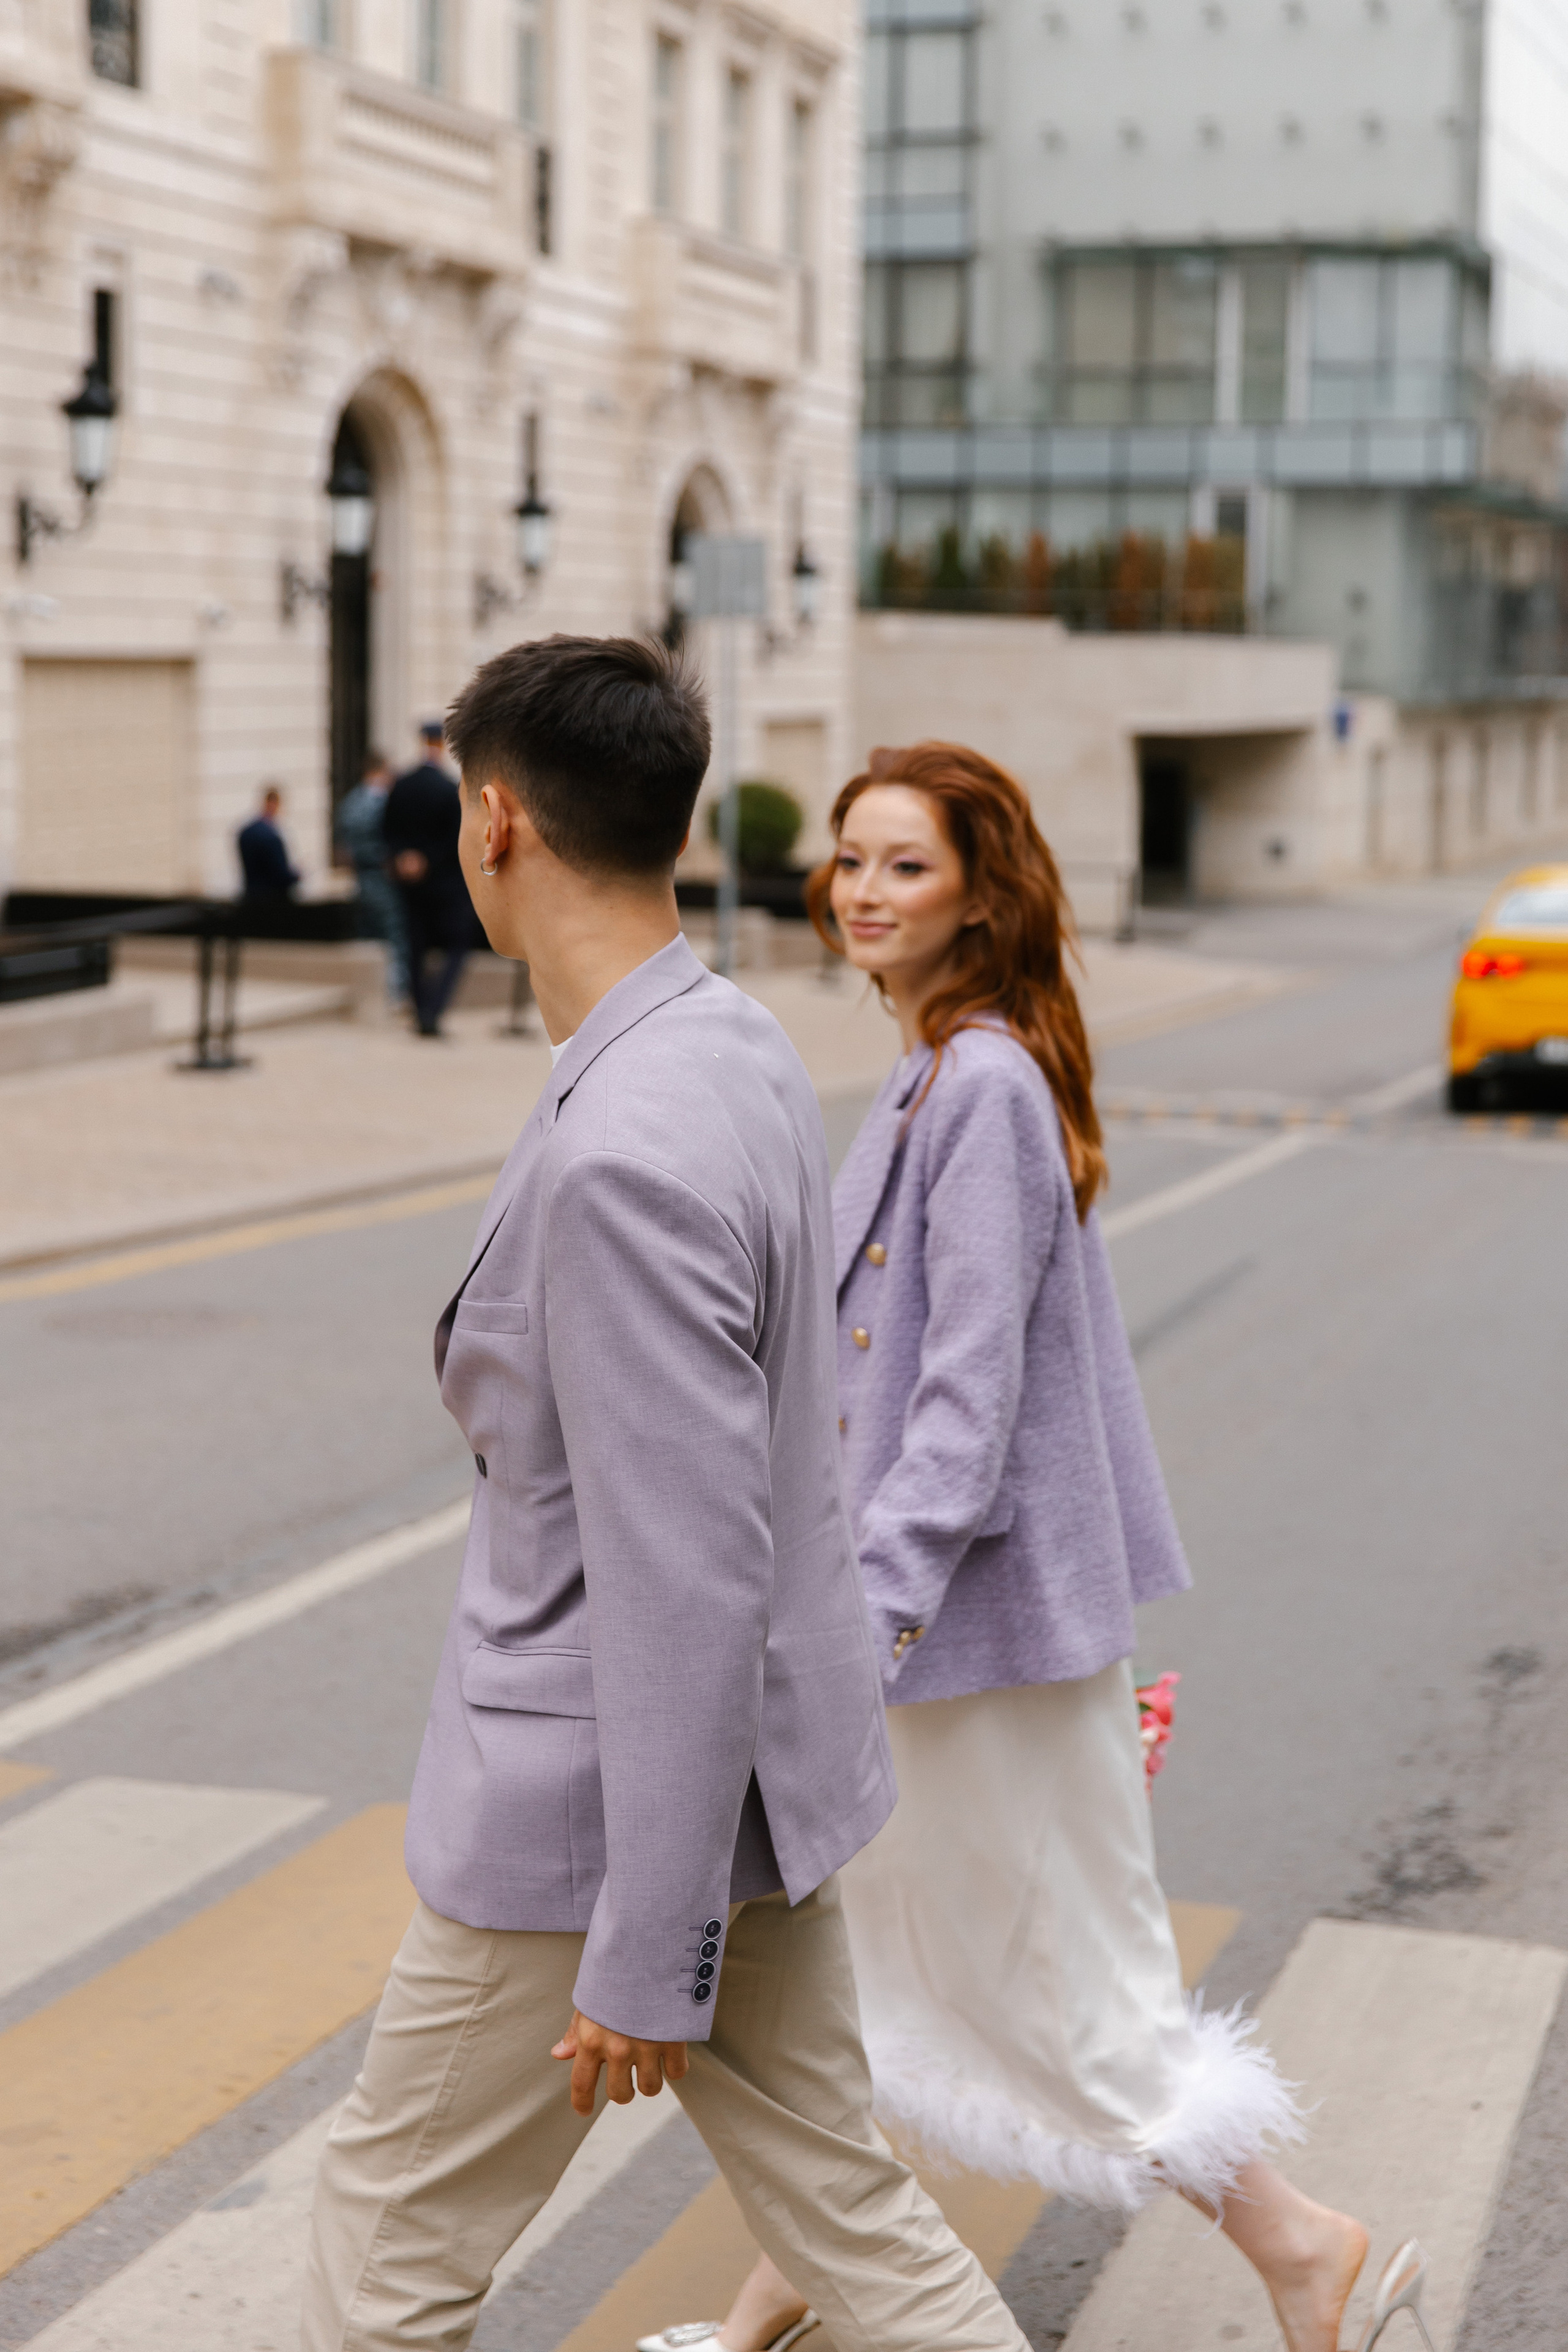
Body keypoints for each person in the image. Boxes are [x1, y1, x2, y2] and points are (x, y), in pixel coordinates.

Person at [301, 644, 1036, 2352]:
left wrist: (648, 1943)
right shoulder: (733, 1038)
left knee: (381, 2256)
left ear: (493, 823)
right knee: (852, 2216)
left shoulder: (621, 1146)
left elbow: (684, 1570)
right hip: (755, 1780)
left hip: (598, 1817)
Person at [647, 743, 1422, 2352]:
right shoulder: (944, 1068)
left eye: (904, 865)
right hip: (949, 1637)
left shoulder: (982, 1083)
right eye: (850, 860)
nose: (862, 887)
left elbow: (965, 1395)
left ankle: (1298, 2242)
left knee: (1051, 1984)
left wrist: (865, 1622)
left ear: (982, 891)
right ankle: (754, 2328)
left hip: (965, 1638)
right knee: (878, 1977)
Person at [384, 720, 474, 1036]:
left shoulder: (402, 784)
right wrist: (427, 860)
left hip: (410, 885)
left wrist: (404, 857)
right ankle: (433, 1010)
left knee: (414, 947)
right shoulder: (447, 788)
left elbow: (387, 830)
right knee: (457, 945)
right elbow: (455, 839)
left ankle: (421, 1010)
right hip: (443, 884)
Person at [334, 748, 409, 1001]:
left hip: (361, 878)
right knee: (394, 935)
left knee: (368, 935)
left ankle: (369, 993)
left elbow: (344, 845)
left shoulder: (350, 802)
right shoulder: (381, 802)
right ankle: (395, 993)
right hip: (382, 876)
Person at [236, 783, 300, 902]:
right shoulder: (271, 836)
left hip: (252, 897)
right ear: (275, 804)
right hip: (272, 900)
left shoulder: (246, 832)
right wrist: (296, 876)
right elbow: (280, 875)